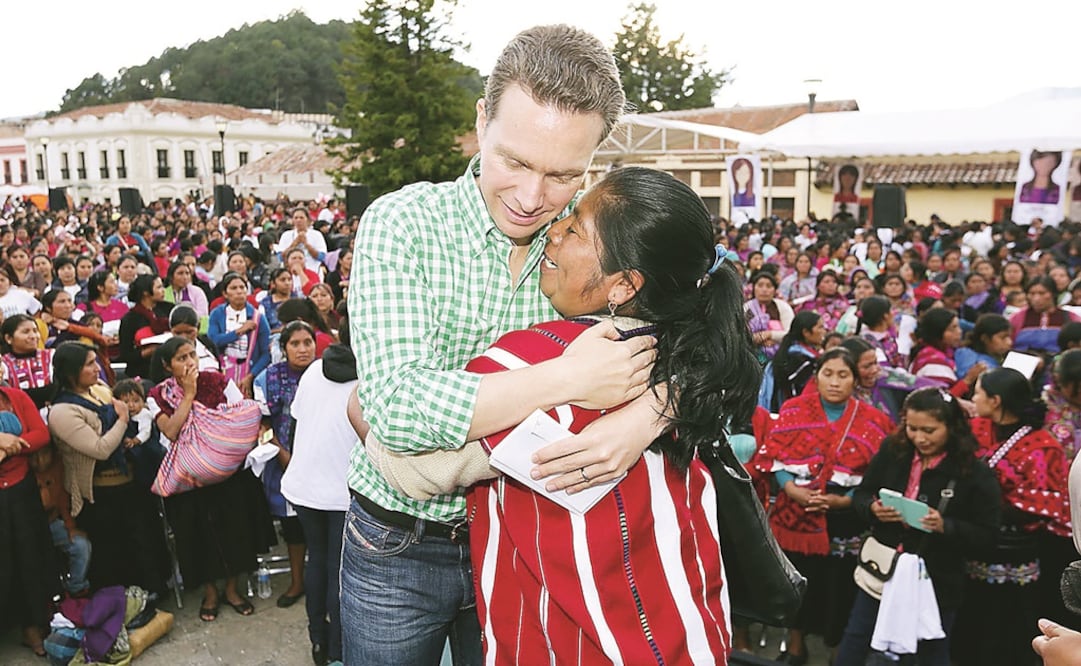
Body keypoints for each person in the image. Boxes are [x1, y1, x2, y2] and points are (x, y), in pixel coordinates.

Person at [343, 24, 661, 666]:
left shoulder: (592, 243)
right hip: (397, 544)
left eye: (563, 175)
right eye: (514, 161)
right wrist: (571, 380)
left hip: (530, 540)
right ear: (482, 120)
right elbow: (398, 410)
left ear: (594, 160)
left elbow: (709, 343)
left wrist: (647, 418)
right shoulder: (404, 223)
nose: (531, 197)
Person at [368, 166, 758, 664]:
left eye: (575, 228)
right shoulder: (690, 346)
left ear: (622, 285)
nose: (553, 228)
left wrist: (362, 404)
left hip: (577, 644)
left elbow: (406, 465)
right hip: (687, 636)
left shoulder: (539, 357)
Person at [833, 388, 1001, 666]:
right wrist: (873, 509)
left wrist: (945, 526)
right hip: (882, 568)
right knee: (857, 636)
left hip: (936, 577)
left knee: (931, 651)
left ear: (951, 427)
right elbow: (862, 496)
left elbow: (988, 535)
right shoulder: (894, 450)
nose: (920, 438)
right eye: (912, 428)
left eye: (929, 430)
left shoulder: (973, 472)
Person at [755, 348, 893, 665]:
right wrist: (792, 489)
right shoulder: (793, 410)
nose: (834, 382)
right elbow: (776, 457)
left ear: (855, 380)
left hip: (844, 520)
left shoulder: (873, 420)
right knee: (796, 586)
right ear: (816, 376)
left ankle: (836, 651)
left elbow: (877, 474)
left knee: (839, 590)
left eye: (843, 375)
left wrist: (843, 501)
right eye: (827, 374)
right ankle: (795, 647)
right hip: (795, 515)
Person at [146, 337, 276, 622]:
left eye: (192, 355)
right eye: (181, 358)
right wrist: (189, 394)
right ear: (168, 365)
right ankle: (210, 593)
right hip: (190, 478)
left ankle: (232, 590)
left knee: (235, 532)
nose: (189, 362)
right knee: (199, 537)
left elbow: (242, 416)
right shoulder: (158, 395)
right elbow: (171, 430)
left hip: (229, 473)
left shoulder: (218, 381)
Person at [954, 368, 1072, 666]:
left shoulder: (1043, 445)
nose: (974, 397)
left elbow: (1047, 501)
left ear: (995, 400)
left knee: (1006, 626)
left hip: (1015, 552)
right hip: (971, 546)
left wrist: (984, 504)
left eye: (978, 392)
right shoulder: (975, 429)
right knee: (971, 620)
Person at [48, 342, 169, 594]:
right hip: (101, 496)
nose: (97, 369)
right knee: (116, 553)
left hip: (131, 482)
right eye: (90, 364)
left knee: (144, 542)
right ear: (72, 371)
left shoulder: (101, 389)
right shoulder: (62, 411)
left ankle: (153, 594)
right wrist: (123, 419)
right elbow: (100, 448)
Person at [282, 312, 356, 666]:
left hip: (304, 484)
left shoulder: (313, 370)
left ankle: (318, 640)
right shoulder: (369, 378)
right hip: (340, 491)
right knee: (337, 571)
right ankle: (338, 649)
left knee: (318, 562)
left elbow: (298, 421)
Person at [253, 320, 318, 609]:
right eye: (295, 344)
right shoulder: (267, 379)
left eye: (308, 343)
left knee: (322, 527)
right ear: (284, 348)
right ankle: (297, 582)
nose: (303, 349)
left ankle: (323, 581)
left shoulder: (326, 374)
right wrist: (281, 453)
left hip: (322, 461)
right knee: (293, 526)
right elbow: (263, 425)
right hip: (283, 461)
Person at [0, 383, 58, 657]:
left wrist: (11, 447)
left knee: (29, 556)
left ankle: (33, 625)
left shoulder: (15, 396)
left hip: (21, 488)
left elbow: (40, 434)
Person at [207, 272, 271, 397]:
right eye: (234, 288)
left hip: (248, 371)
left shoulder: (257, 317)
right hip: (224, 369)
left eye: (242, 287)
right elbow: (213, 340)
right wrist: (239, 331)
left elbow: (265, 353)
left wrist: (250, 376)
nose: (239, 291)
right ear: (225, 293)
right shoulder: (217, 314)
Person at [909, 307, 984, 398]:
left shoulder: (947, 351)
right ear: (937, 332)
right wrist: (968, 380)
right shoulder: (933, 361)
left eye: (958, 327)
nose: (959, 332)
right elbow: (939, 402)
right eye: (952, 328)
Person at [765, 311, 825, 411]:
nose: (824, 331)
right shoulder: (801, 360)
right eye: (820, 327)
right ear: (806, 332)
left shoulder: (798, 354)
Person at [1011, 276, 1081, 359]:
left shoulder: (1070, 317)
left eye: (1042, 293)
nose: (1036, 298)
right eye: (1032, 294)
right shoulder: (1017, 318)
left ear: (1053, 294)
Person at [117, 274, 171, 381]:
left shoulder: (168, 309)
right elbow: (125, 354)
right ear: (146, 293)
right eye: (159, 287)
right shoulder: (130, 319)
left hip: (167, 369)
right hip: (141, 373)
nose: (163, 290)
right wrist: (147, 352)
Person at [745, 271, 794, 363]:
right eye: (760, 285)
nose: (764, 290)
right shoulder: (748, 309)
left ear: (775, 290)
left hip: (781, 354)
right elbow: (740, 333)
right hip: (750, 355)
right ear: (754, 288)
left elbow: (791, 333)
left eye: (769, 286)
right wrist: (758, 340)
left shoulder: (782, 307)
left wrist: (769, 334)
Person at [954, 313, 1012, 380]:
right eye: (1003, 338)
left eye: (1009, 337)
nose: (1009, 342)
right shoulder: (967, 356)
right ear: (985, 338)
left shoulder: (999, 357)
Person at [278, 206, 328, 274]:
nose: (298, 220)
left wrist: (306, 244)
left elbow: (322, 257)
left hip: (313, 272)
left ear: (307, 220)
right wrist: (295, 243)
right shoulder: (286, 235)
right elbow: (280, 258)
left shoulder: (317, 235)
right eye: (296, 218)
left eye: (301, 218)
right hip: (291, 274)